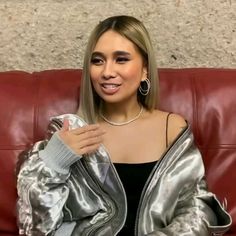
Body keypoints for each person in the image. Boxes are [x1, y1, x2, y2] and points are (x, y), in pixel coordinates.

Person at [16, 15, 232, 236]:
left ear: (145, 69)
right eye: (97, 60)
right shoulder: (70, 130)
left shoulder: (171, 128)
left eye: (121, 59)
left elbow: (196, 208)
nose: (107, 71)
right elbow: (36, 226)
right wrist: (54, 160)